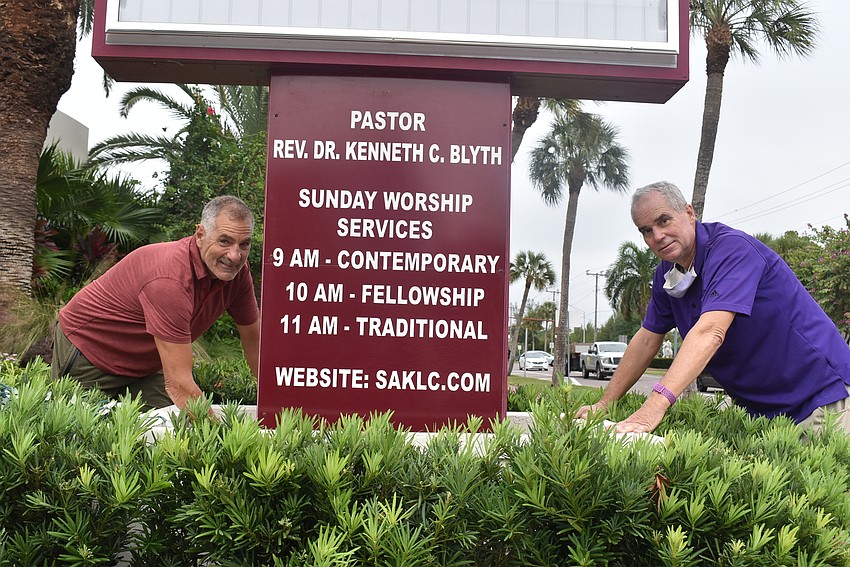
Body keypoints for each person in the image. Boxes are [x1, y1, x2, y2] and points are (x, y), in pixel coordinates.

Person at [576, 181, 850, 434]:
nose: (657, 236)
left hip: (823, 399)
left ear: (689, 213)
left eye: (664, 221)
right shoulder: (665, 274)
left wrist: (653, 408)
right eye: (646, 230)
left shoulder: (732, 251)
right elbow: (647, 339)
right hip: (764, 416)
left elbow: (710, 332)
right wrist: (605, 404)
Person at [51, 195, 260, 411]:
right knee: (80, 434)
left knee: (173, 428)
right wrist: (224, 441)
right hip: (91, 350)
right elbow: (179, 384)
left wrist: (280, 404)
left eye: (244, 244)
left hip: (144, 365)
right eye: (224, 241)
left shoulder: (238, 276)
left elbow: (254, 343)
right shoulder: (169, 278)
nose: (235, 256)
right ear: (200, 235)